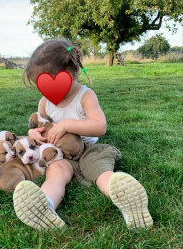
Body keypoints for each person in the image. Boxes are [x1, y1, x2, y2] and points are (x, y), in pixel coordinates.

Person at [13, 39, 153, 231]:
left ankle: (126, 202)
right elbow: (40, 125)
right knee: (55, 174)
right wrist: (32, 133)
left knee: (101, 172)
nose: (46, 90)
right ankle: (46, 207)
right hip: (59, 153)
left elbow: (99, 126)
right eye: (40, 84)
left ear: (70, 73)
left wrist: (66, 125)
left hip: (88, 149)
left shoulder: (85, 96)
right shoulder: (44, 102)